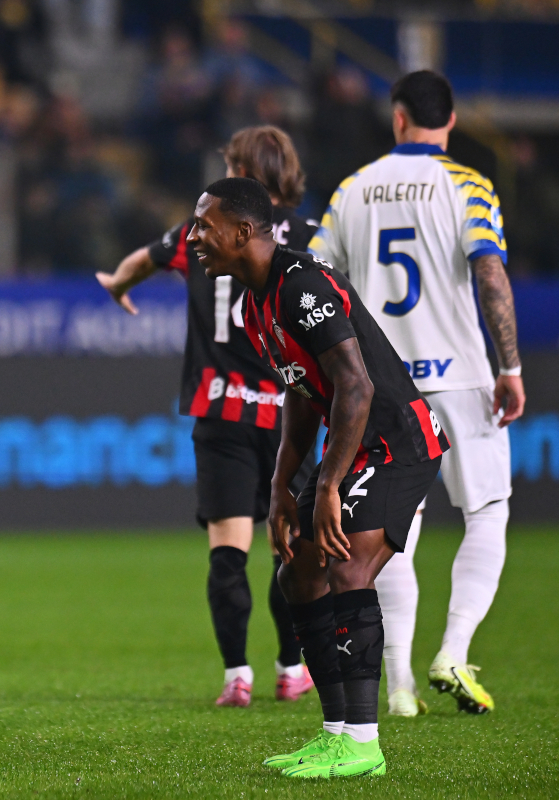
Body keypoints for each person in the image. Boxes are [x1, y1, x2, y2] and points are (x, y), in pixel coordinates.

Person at [191, 177, 448, 779]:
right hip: (356, 444)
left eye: (204, 226)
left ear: (243, 232)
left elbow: (355, 385)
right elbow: (305, 395)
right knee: (299, 570)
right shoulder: (257, 298)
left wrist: (326, 486)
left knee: (345, 567)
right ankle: (336, 734)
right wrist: (283, 487)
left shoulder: (302, 285)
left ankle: (362, 744)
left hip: (397, 443)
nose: (194, 237)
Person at [309, 70, 524, 717]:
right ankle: (452, 651)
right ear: (450, 121)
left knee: (390, 527)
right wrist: (509, 365)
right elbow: (489, 275)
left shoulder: (352, 189)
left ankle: (398, 682)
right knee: (486, 511)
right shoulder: (468, 185)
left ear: (397, 119)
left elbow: (317, 284)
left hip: (382, 388)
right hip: (460, 375)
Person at [97, 126, 316, 707]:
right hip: (289, 414)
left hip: (220, 409)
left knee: (228, 550)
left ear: (240, 172)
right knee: (288, 546)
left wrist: (117, 283)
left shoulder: (197, 233)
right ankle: (291, 669)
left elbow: (140, 261)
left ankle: (235, 676)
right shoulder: (315, 237)